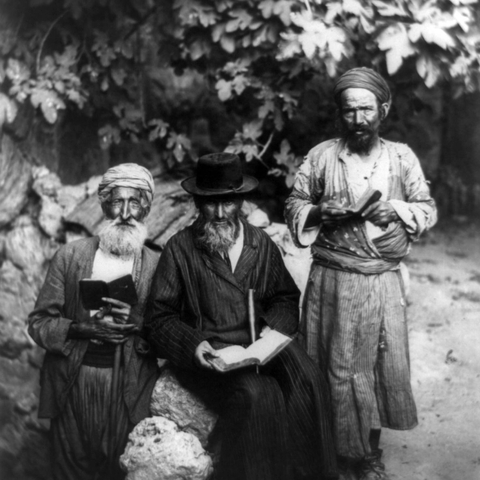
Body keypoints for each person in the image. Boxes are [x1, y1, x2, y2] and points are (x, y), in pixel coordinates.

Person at [145, 152, 338, 480]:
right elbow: (158, 318)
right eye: (210, 203)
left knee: (308, 377)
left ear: (241, 201)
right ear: (197, 203)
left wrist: (272, 333)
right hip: (215, 358)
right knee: (259, 395)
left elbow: (285, 298)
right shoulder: (180, 249)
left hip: (259, 346)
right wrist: (194, 346)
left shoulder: (259, 243)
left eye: (229, 202)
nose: (220, 213)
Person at [284, 67, 437, 480]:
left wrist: (399, 210)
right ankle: (331, 455)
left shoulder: (401, 157)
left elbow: (427, 208)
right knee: (329, 364)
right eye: (349, 111)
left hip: (379, 280)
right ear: (339, 114)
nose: (358, 120)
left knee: (369, 366)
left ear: (382, 109)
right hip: (332, 277)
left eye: (366, 109)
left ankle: (368, 454)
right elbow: (294, 202)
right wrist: (317, 211)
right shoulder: (320, 156)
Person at [28, 163, 160, 480]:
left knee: (119, 468)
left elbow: (170, 330)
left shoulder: (158, 263)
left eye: (135, 202)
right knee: (70, 469)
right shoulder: (70, 256)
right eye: (117, 201)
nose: (125, 212)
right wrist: (82, 328)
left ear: (146, 208)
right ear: (104, 204)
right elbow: (39, 323)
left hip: (129, 386)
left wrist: (139, 323)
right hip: (72, 382)